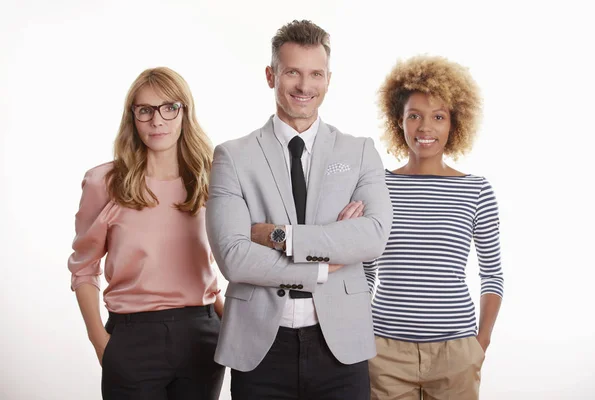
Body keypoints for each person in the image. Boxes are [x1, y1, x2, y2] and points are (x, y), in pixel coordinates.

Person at [206, 20, 393, 400]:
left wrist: (279, 236)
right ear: (271, 75)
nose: (304, 87)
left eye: (315, 75)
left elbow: (373, 236)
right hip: (260, 349)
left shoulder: (358, 152)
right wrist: (323, 266)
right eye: (292, 72)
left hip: (341, 347)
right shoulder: (232, 157)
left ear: (328, 79)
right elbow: (234, 258)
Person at [67, 67, 225, 399]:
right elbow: (83, 268)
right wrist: (101, 343)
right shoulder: (105, 183)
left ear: (185, 112)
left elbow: (214, 265)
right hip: (132, 339)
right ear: (133, 117)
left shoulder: (210, 178)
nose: (157, 120)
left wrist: (230, 327)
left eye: (169, 108)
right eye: (145, 110)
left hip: (202, 335)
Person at [365, 55, 504, 400]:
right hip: (384, 353)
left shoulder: (476, 190)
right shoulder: (376, 186)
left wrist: (480, 343)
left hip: (455, 353)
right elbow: (365, 271)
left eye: (438, 117)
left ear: (454, 124)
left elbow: (493, 275)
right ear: (399, 122)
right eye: (414, 116)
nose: (425, 128)